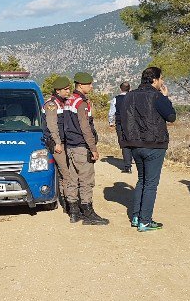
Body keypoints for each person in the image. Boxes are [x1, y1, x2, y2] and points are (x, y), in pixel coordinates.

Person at [121, 67, 176, 232]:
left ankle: (136, 216)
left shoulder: (129, 96)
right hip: (154, 145)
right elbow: (171, 117)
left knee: (142, 180)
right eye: (161, 79)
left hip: (135, 145)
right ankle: (145, 221)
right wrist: (166, 98)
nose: (162, 82)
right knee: (151, 184)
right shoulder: (158, 96)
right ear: (155, 80)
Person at [63, 72, 109, 225]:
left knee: (72, 179)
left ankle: (74, 212)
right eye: (89, 84)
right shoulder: (81, 103)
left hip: (70, 145)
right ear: (81, 85)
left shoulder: (69, 100)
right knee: (86, 180)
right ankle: (88, 213)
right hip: (81, 146)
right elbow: (85, 127)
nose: (91, 86)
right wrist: (93, 148)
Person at [42, 76, 72, 211]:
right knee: (66, 173)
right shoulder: (52, 104)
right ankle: (69, 203)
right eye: (65, 89)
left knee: (64, 173)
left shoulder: (62, 102)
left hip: (64, 141)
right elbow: (52, 126)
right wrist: (58, 143)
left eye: (69, 88)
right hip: (56, 143)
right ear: (58, 90)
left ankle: (66, 202)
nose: (68, 91)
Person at [108, 81, 133, 173]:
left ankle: (127, 166)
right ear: (129, 89)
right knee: (133, 141)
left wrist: (111, 122)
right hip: (133, 123)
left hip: (121, 123)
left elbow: (111, 112)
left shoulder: (116, 99)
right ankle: (133, 160)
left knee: (124, 143)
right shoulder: (133, 98)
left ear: (120, 89)